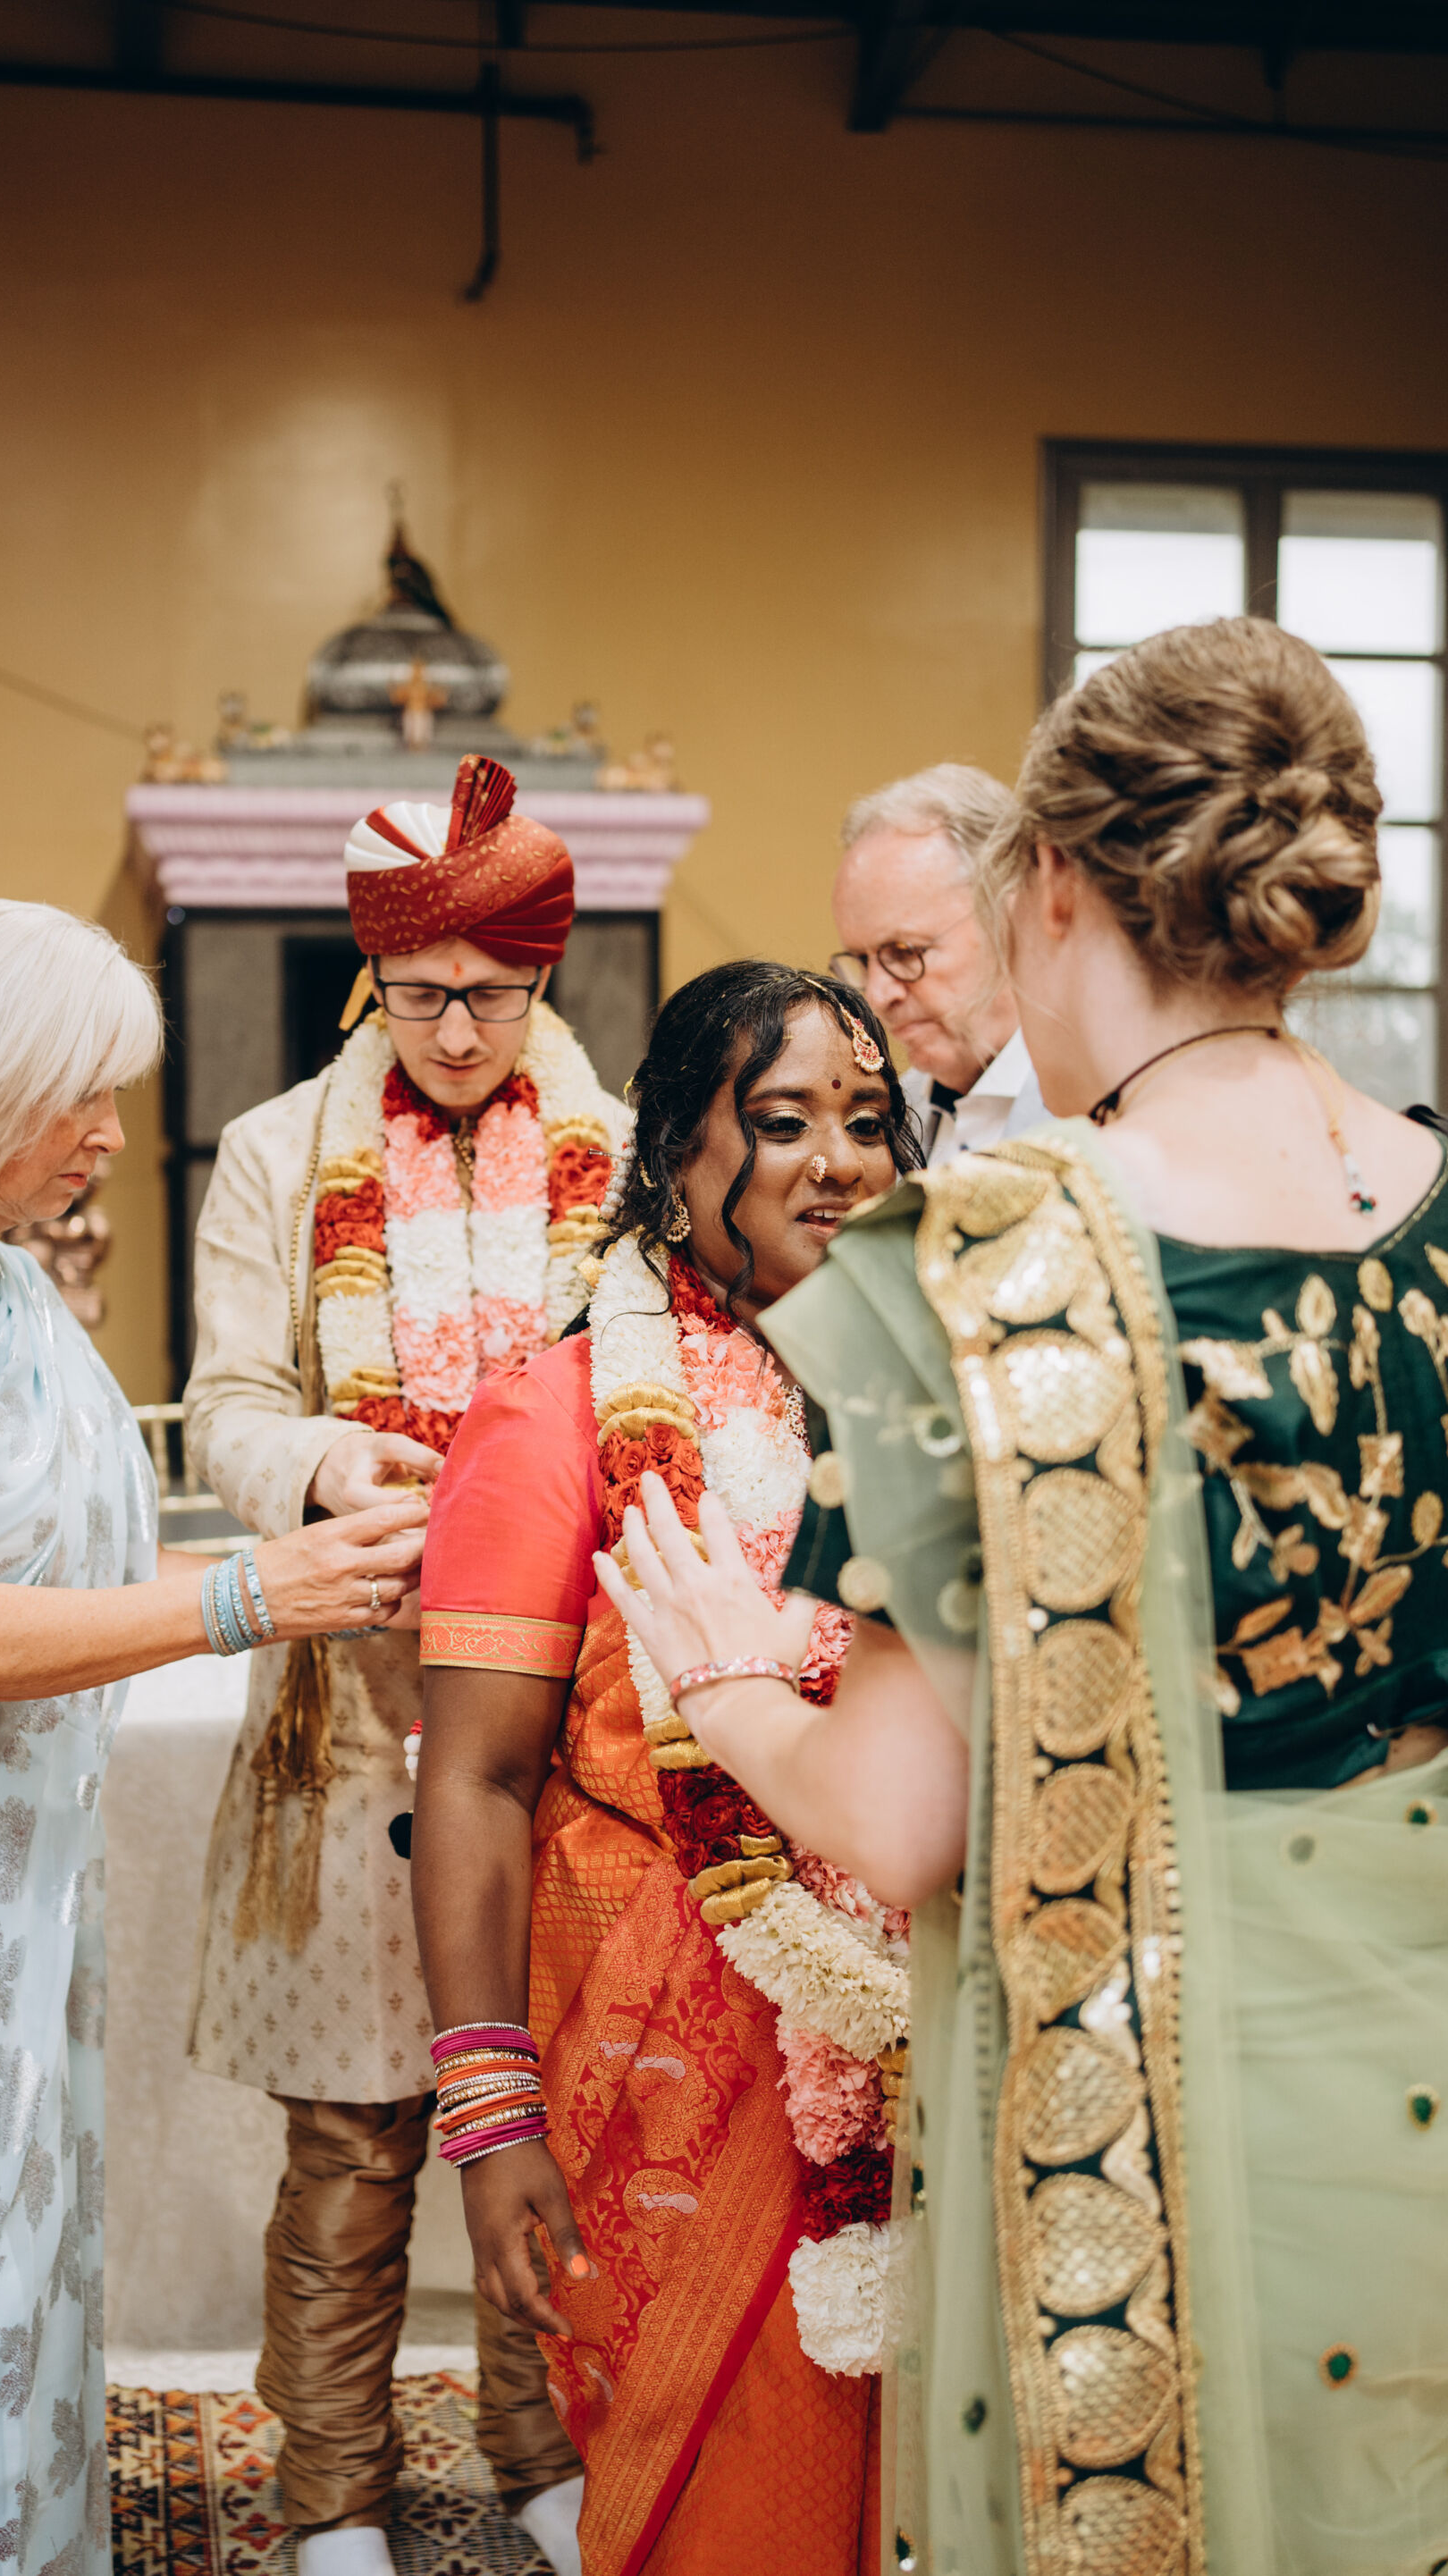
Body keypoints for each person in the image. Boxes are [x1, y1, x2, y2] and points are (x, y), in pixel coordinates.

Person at [598, 619, 1448, 2576]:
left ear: (1050, 883)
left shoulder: (987, 1257)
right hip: (1411, 2056)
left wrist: (724, 1680)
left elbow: (904, 1817)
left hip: (1147, 2107)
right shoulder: (1434, 1199)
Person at [0, 898, 425, 2576]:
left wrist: (323, 1543)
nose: (112, 1135)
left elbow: (74, 1579)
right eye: (81, 1095)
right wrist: (251, 1597)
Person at [411, 962, 923, 2576]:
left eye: (868, 1120)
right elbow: (475, 1781)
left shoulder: (928, 1403)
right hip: (661, 2071)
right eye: (781, 1119)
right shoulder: (554, 1414)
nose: (836, 1161)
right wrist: (492, 2118)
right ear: (673, 1152)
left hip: (922, 2041)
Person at [182, 753, 625, 2576]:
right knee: (358, 2146)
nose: (457, 1030)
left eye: (497, 996)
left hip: (562, 1716)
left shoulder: (617, 1153)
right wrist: (320, 1464)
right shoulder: (278, 1152)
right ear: (374, 972)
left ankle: (545, 2450)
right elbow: (226, 1405)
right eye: (427, 991)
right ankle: (332, 2499)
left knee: (558, 2114)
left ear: (543, 981)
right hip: (357, 1714)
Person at [832, 763, 1043, 1159]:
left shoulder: (1099, 1104)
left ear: (1011, 914)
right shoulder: (887, 1120)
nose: (877, 997)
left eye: (904, 952)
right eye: (862, 960)